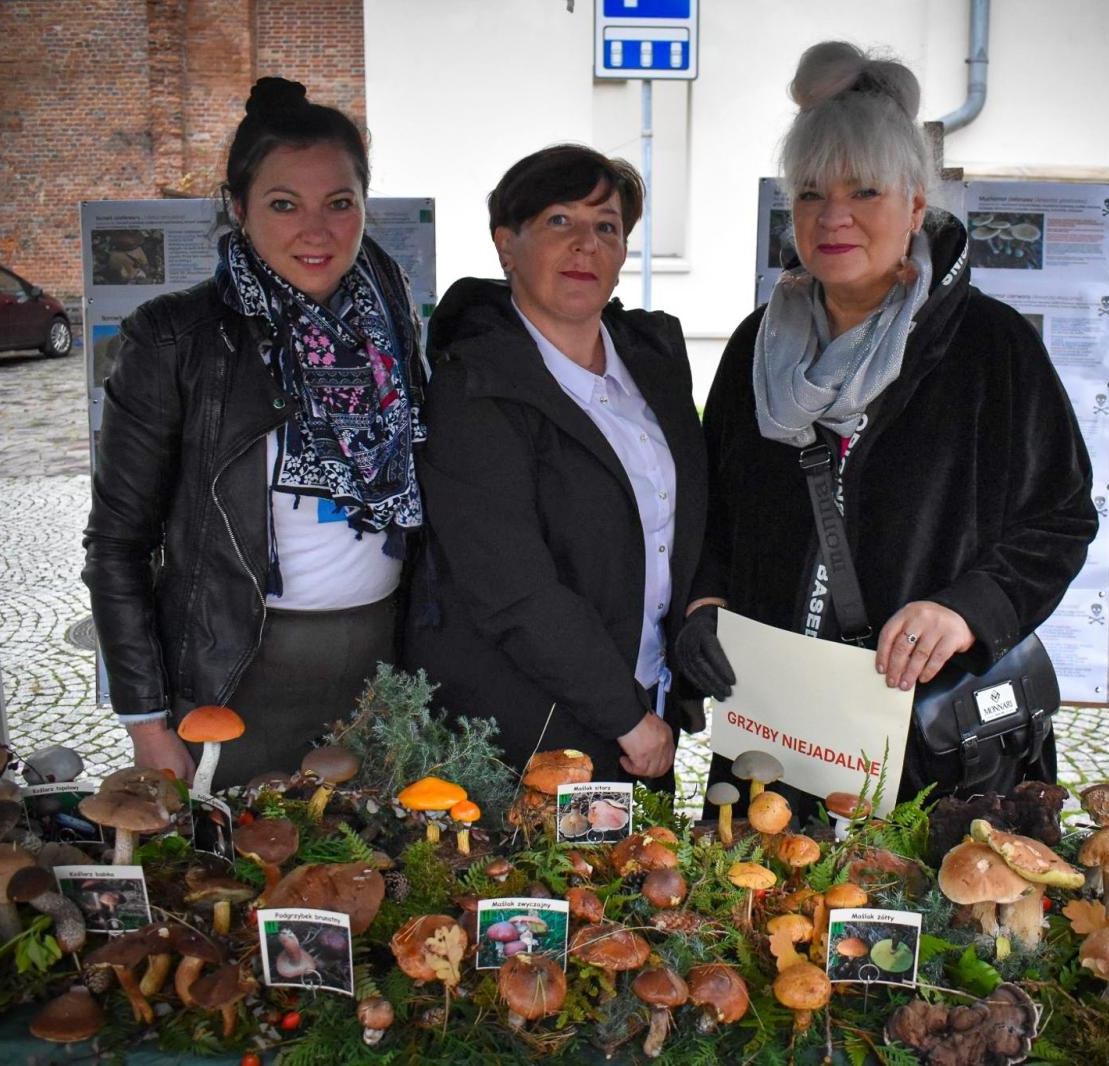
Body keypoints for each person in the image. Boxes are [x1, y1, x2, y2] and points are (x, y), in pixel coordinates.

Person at [675, 42, 1098, 810]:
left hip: (925, 732)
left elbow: (1061, 517)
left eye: (864, 190)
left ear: (913, 206)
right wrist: (705, 601)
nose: (833, 216)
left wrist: (969, 608)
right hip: (780, 723)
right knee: (761, 912)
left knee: (921, 920)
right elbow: (716, 508)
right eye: (810, 193)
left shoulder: (988, 347)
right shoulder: (755, 348)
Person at [83, 78, 426, 790]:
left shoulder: (394, 323)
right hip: (235, 675)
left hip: (381, 666)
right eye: (282, 204)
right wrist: (146, 724)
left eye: (339, 203)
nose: (317, 229)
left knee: (376, 879)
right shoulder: (175, 339)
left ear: (364, 206)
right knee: (232, 884)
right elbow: (118, 546)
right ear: (238, 208)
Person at [403, 144, 707, 785]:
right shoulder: (474, 386)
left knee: (640, 883)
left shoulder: (652, 364)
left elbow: (688, 522)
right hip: (531, 725)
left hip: (649, 702)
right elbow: (514, 590)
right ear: (506, 245)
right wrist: (626, 718)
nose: (586, 246)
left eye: (607, 227)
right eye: (559, 222)